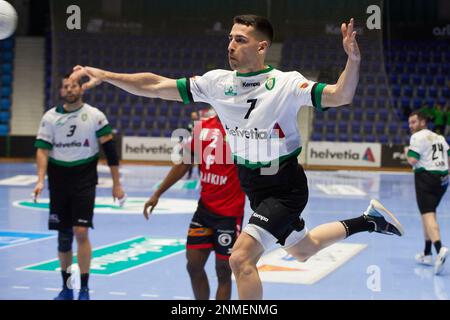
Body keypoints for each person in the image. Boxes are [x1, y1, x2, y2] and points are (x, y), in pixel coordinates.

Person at [70, 15, 404, 300]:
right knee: (304, 250)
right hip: (254, 188)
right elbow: (157, 85)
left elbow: (341, 95)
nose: (231, 45)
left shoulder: (285, 84)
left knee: (240, 259)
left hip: (285, 186)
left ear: (261, 47)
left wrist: (353, 60)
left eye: (240, 40)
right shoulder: (217, 82)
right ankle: (369, 220)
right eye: (230, 38)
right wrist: (108, 76)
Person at [32, 75, 125, 300]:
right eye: (65, 86)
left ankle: (84, 288)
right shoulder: (50, 117)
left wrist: (116, 183)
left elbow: (110, 152)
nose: (69, 89)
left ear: (80, 89)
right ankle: (66, 287)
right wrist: (40, 179)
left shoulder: (94, 115)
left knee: (81, 232)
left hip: (84, 180)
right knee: (64, 237)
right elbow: (42, 150)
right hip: (58, 181)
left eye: (73, 85)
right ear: (61, 91)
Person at [143, 109, 245, 300]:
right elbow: (184, 163)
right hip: (204, 211)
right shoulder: (203, 127)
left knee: (223, 271)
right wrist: (158, 193)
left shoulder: (245, 128)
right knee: (194, 265)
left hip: (229, 214)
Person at [405, 111, 449, 275]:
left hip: (426, 178)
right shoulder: (440, 137)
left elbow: (412, 160)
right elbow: (448, 157)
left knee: (428, 214)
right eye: (409, 123)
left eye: (414, 122)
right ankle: (427, 253)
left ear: (423, 122)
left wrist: (406, 152)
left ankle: (439, 249)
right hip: (443, 179)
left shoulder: (417, 137)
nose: (411, 126)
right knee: (428, 213)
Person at [186, 111, 200, 179]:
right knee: (190, 160)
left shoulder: (201, 123)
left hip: (199, 144)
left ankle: (200, 174)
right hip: (192, 144)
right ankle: (189, 174)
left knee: (200, 161)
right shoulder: (189, 124)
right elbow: (187, 133)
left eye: (195, 115)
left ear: (197, 116)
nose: (194, 116)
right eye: (192, 115)